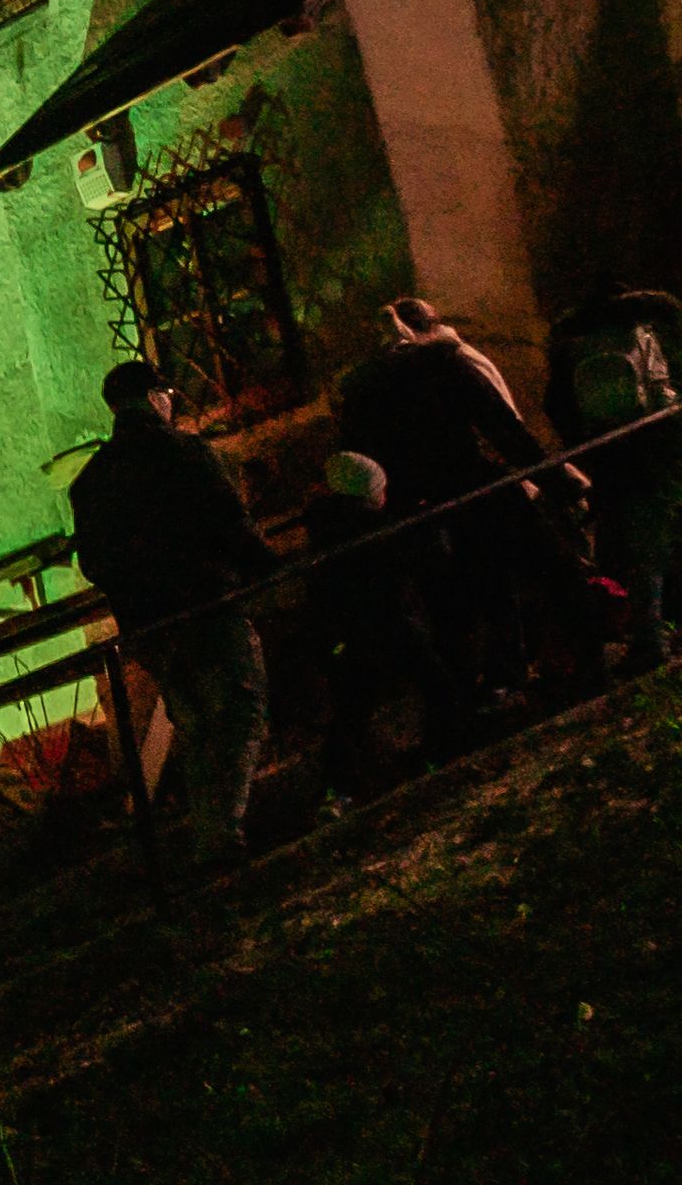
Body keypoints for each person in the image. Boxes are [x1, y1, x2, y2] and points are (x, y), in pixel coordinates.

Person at [69, 356, 282, 869]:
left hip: (150, 625)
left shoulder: (92, 481)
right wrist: (271, 569)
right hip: (207, 607)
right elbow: (229, 521)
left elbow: (95, 563)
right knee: (237, 713)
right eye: (167, 395)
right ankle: (221, 838)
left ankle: (211, 836)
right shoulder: (185, 453)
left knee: (196, 726)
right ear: (154, 398)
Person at [340, 297, 582, 700]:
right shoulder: (444, 364)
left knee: (466, 597)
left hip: (418, 506)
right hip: (474, 487)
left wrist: (381, 509)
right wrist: (555, 478)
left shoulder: (361, 391)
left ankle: (479, 689)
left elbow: (358, 456)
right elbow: (503, 426)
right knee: (551, 566)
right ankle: (582, 661)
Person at [309, 451, 464, 797]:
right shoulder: (377, 528)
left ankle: (337, 791)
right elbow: (428, 558)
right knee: (440, 688)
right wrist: (428, 522)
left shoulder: (325, 532)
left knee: (352, 713)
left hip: (350, 635)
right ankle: (443, 756)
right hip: (394, 626)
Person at [545, 282, 681, 676]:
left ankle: (649, 639)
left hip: (612, 457)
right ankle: (653, 639)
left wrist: (585, 449)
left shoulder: (570, 345)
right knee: (657, 539)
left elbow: (557, 406)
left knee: (642, 553)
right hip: (664, 445)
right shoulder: (649, 328)